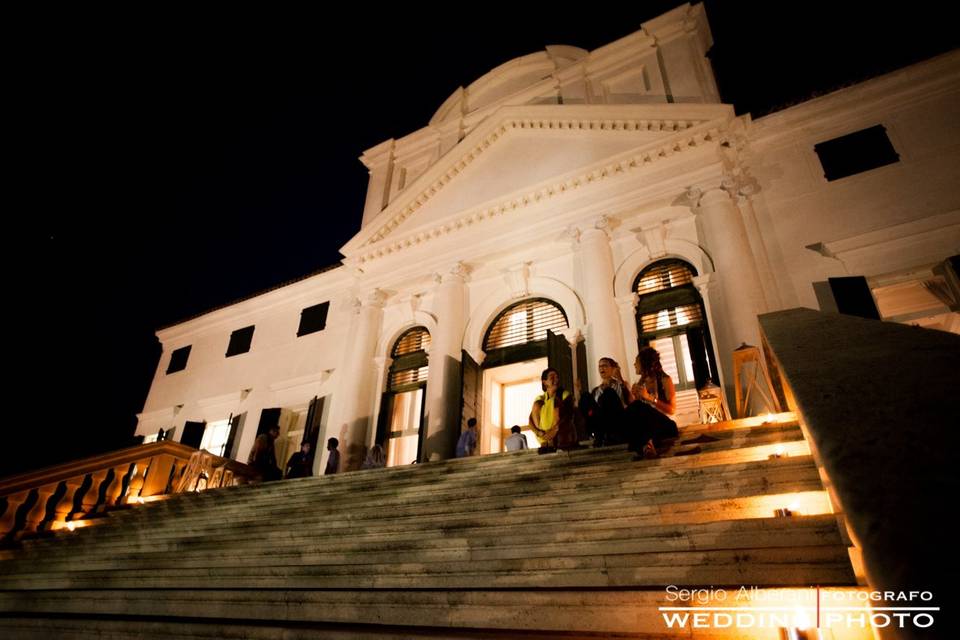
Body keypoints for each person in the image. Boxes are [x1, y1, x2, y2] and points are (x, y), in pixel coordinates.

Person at [626, 347, 680, 458]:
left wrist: (650, 398)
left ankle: (646, 447)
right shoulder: (640, 383)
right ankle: (647, 447)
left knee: (638, 407)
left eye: (637, 362)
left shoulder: (664, 379)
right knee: (633, 408)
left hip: (665, 425)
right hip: (649, 428)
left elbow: (672, 409)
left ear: (645, 363)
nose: (634, 364)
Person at [579, 357, 632, 447]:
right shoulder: (596, 390)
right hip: (600, 420)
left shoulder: (621, 384)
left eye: (605, 366)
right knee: (585, 396)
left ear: (612, 368)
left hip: (616, 418)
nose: (601, 368)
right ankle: (595, 434)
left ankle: (608, 434)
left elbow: (630, 401)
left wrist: (620, 378)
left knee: (608, 393)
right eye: (599, 366)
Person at [529, 368, 578, 452]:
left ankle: (551, 442)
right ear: (544, 382)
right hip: (544, 436)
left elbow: (567, 416)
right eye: (552, 377)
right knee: (537, 404)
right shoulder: (540, 399)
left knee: (555, 401)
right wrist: (540, 433)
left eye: (557, 377)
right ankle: (544, 442)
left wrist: (552, 433)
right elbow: (530, 420)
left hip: (560, 435)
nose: (556, 379)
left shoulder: (564, 394)